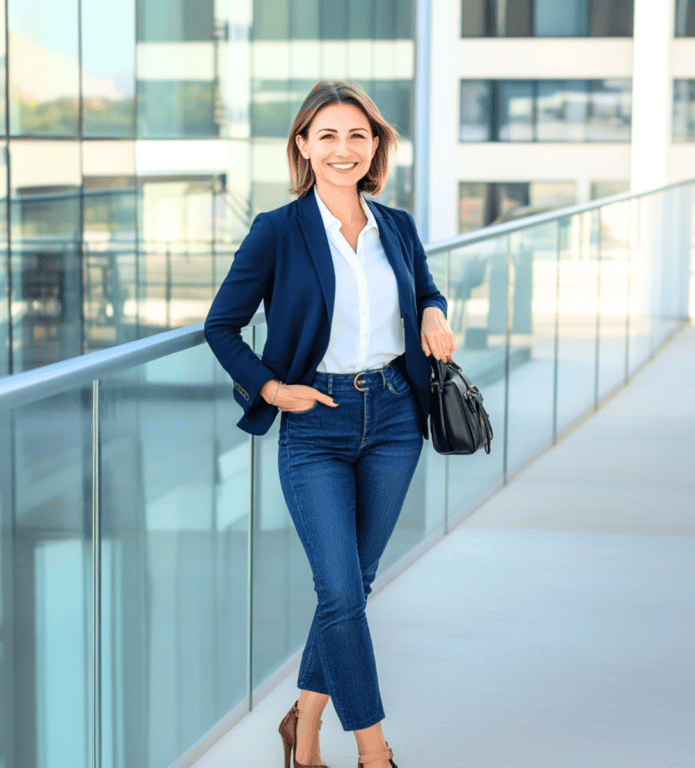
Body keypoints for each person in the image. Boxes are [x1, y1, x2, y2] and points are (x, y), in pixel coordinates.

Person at [204, 80, 455, 768]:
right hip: (316, 422)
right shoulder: (277, 231)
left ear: (375, 145)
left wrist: (432, 313)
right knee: (339, 589)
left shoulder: (396, 226)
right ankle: (377, 755)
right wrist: (273, 390)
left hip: (397, 420)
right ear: (303, 146)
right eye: (328, 136)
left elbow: (425, 290)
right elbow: (220, 327)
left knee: (355, 584)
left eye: (357, 135)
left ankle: (302, 725)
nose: (343, 149)